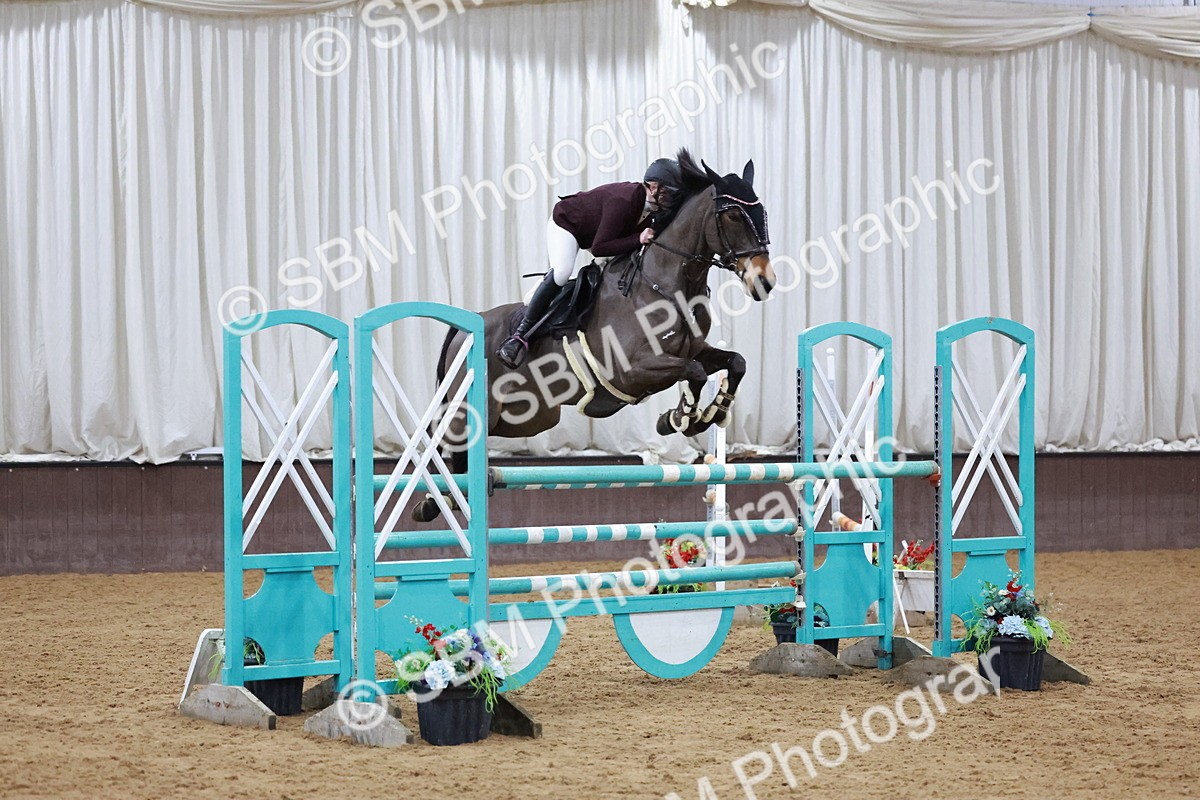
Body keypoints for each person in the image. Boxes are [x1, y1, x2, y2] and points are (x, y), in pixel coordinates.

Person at [496, 158, 684, 369]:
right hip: (569, 225)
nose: (672, 199)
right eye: (668, 192)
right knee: (562, 273)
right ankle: (519, 337)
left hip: (600, 233)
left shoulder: (655, 209)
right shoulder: (624, 199)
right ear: (652, 187)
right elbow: (600, 248)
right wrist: (637, 239)